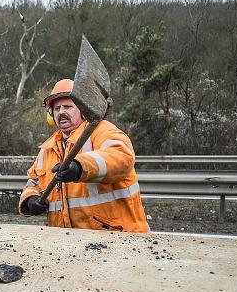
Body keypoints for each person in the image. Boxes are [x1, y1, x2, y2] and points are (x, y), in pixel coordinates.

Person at [18, 79, 150, 233]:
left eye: (67, 107)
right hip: (67, 241)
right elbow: (33, 182)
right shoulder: (47, 149)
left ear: (82, 109)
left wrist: (80, 167)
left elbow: (122, 157)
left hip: (117, 237)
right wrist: (30, 200)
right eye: (57, 108)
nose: (61, 112)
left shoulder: (101, 131)